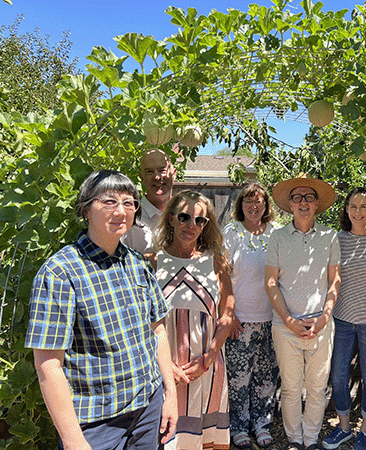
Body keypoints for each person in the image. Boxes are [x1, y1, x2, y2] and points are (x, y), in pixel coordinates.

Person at [26, 170, 177, 450]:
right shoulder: (60, 272)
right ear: (86, 210)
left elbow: (157, 330)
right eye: (109, 202)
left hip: (148, 407)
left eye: (129, 202)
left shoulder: (137, 264)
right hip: (96, 423)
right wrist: (73, 441)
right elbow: (48, 363)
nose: (121, 211)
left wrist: (170, 394)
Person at [153, 190, 235, 450]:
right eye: (185, 217)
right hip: (165, 370)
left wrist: (209, 357)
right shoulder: (152, 263)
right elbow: (145, 322)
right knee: (166, 437)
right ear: (171, 219)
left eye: (200, 220)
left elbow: (227, 313)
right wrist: (167, 366)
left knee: (206, 440)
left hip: (207, 368)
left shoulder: (216, 263)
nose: (192, 225)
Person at [265, 174, 341, 450]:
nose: (303, 203)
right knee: (291, 388)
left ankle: (311, 439)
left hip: (321, 325)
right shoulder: (278, 237)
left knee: (318, 389)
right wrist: (288, 320)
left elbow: (335, 280)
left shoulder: (329, 237)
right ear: (290, 205)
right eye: (297, 198)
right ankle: (294, 439)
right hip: (285, 327)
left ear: (317, 204)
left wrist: (323, 318)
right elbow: (271, 282)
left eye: (309, 197)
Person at [322, 187, 366, 450]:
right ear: (346, 209)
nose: (358, 211)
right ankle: (343, 428)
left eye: (364, 206)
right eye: (353, 206)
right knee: (339, 376)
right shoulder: (336, 239)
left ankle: (365, 430)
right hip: (341, 319)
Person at [222, 182, 280, 449]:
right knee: (239, 378)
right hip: (241, 319)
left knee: (265, 378)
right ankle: (239, 427)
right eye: (248, 201)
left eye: (259, 201)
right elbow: (222, 277)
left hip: (272, 319)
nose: (254, 206)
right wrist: (229, 314)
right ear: (240, 205)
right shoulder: (232, 232)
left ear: (266, 206)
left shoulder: (276, 234)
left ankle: (261, 424)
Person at [122, 148, 177, 253]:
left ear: (174, 174)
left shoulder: (188, 215)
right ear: (141, 177)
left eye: (162, 170)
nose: (157, 177)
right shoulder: (129, 218)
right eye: (149, 172)